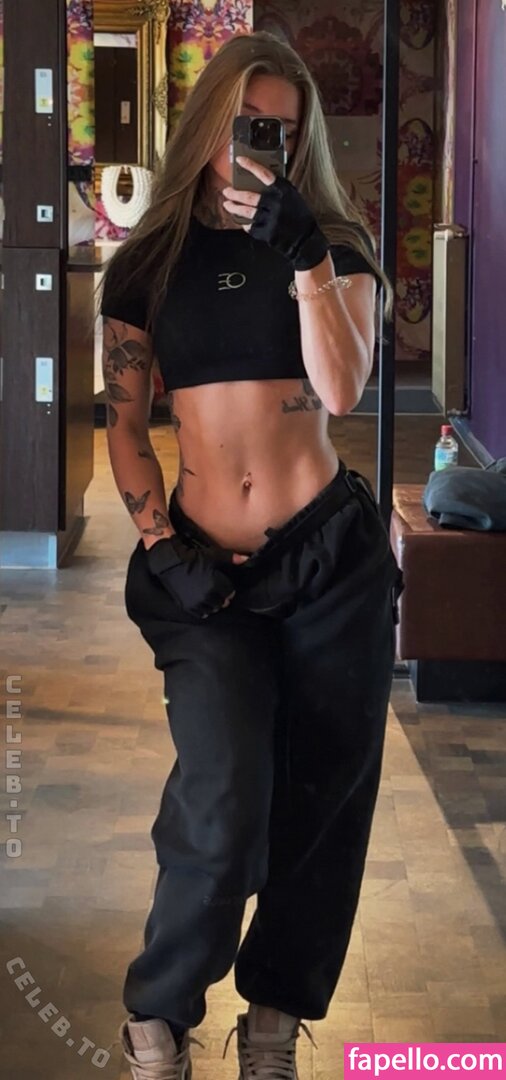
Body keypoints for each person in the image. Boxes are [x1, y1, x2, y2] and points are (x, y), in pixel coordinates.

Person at [100, 30, 403, 1080]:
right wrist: (158, 543)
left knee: (323, 801)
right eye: (246, 123)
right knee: (223, 791)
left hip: (327, 563)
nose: (262, 142)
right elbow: (123, 423)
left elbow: (342, 390)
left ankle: (271, 1027)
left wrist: (305, 259)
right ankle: (157, 1016)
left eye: (282, 127)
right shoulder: (148, 262)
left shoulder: (334, 243)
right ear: (208, 124)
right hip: (202, 578)